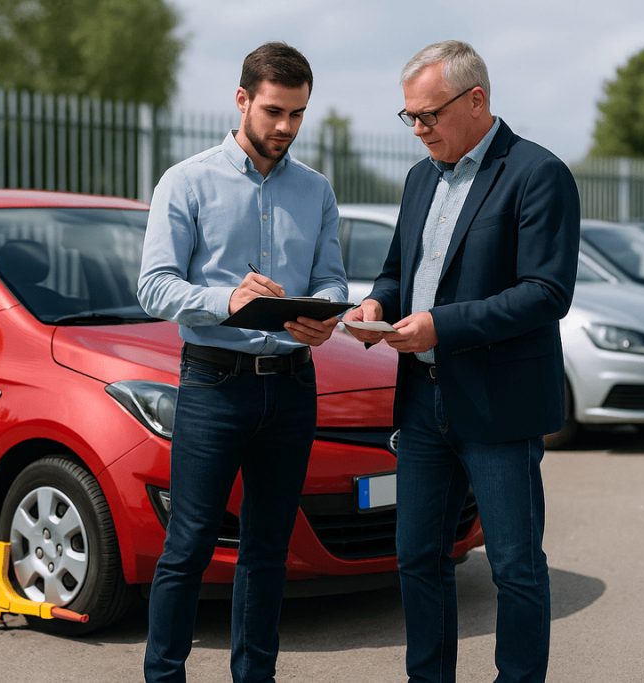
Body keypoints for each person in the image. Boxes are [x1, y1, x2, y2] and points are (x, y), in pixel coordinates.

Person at [342, 40, 580, 683]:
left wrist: (440, 327)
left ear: (476, 100)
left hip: (497, 404)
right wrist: (373, 305)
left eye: (429, 115)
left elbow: (546, 293)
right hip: (421, 403)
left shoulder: (537, 172)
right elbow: (399, 271)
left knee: (514, 566)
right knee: (417, 558)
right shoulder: (421, 177)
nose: (418, 130)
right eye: (409, 118)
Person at [137, 41, 347, 683]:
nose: (286, 127)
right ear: (242, 99)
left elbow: (334, 279)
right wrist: (224, 299)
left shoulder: (316, 191)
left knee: (267, 551)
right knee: (189, 545)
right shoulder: (186, 181)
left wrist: (326, 315)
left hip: (291, 388)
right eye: (275, 111)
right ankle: (163, 675)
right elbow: (153, 287)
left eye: (298, 115)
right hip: (212, 384)